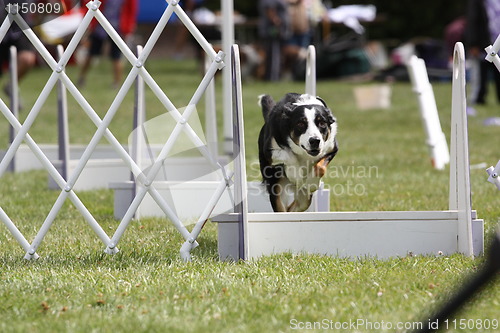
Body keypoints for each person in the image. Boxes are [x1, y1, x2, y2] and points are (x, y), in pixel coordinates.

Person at [78, 0, 138, 88]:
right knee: (91, 55)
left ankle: (117, 83)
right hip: (99, 27)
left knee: (116, 57)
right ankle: (81, 78)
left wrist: (128, 28)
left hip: (118, 28)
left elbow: (132, 11)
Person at [465, 0, 500, 105]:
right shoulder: (478, 2)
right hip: (484, 45)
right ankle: (478, 98)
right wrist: (473, 43)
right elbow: (473, 21)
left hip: (497, 44)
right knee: (480, 75)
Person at [258, 0, 291, 81]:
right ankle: (273, 78)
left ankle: (274, 76)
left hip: (278, 31)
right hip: (273, 31)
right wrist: (276, 21)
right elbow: (270, 10)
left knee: (275, 56)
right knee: (274, 56)